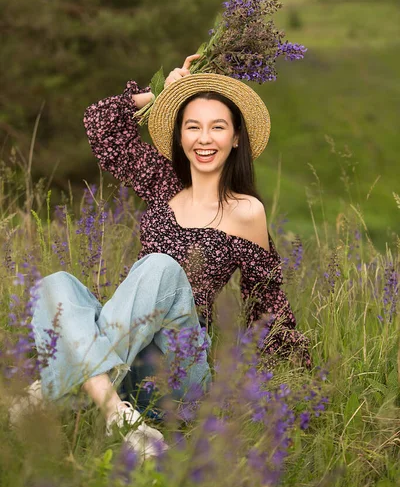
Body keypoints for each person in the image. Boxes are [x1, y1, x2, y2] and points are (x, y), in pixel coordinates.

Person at [11, 54, 311, 461]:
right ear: (180, 134)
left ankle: (57, 388)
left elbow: (267, 305)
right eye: (193, 126)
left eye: (217, 127)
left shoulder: (247, 212)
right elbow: (101, 123)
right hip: (129, 358)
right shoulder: (164, 183)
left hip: (179, 366)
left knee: (160, 266)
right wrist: (158, 95)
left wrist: (291, 382)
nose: (204, 139)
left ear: (236, 138)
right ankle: (116, 411)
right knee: (54, 285)